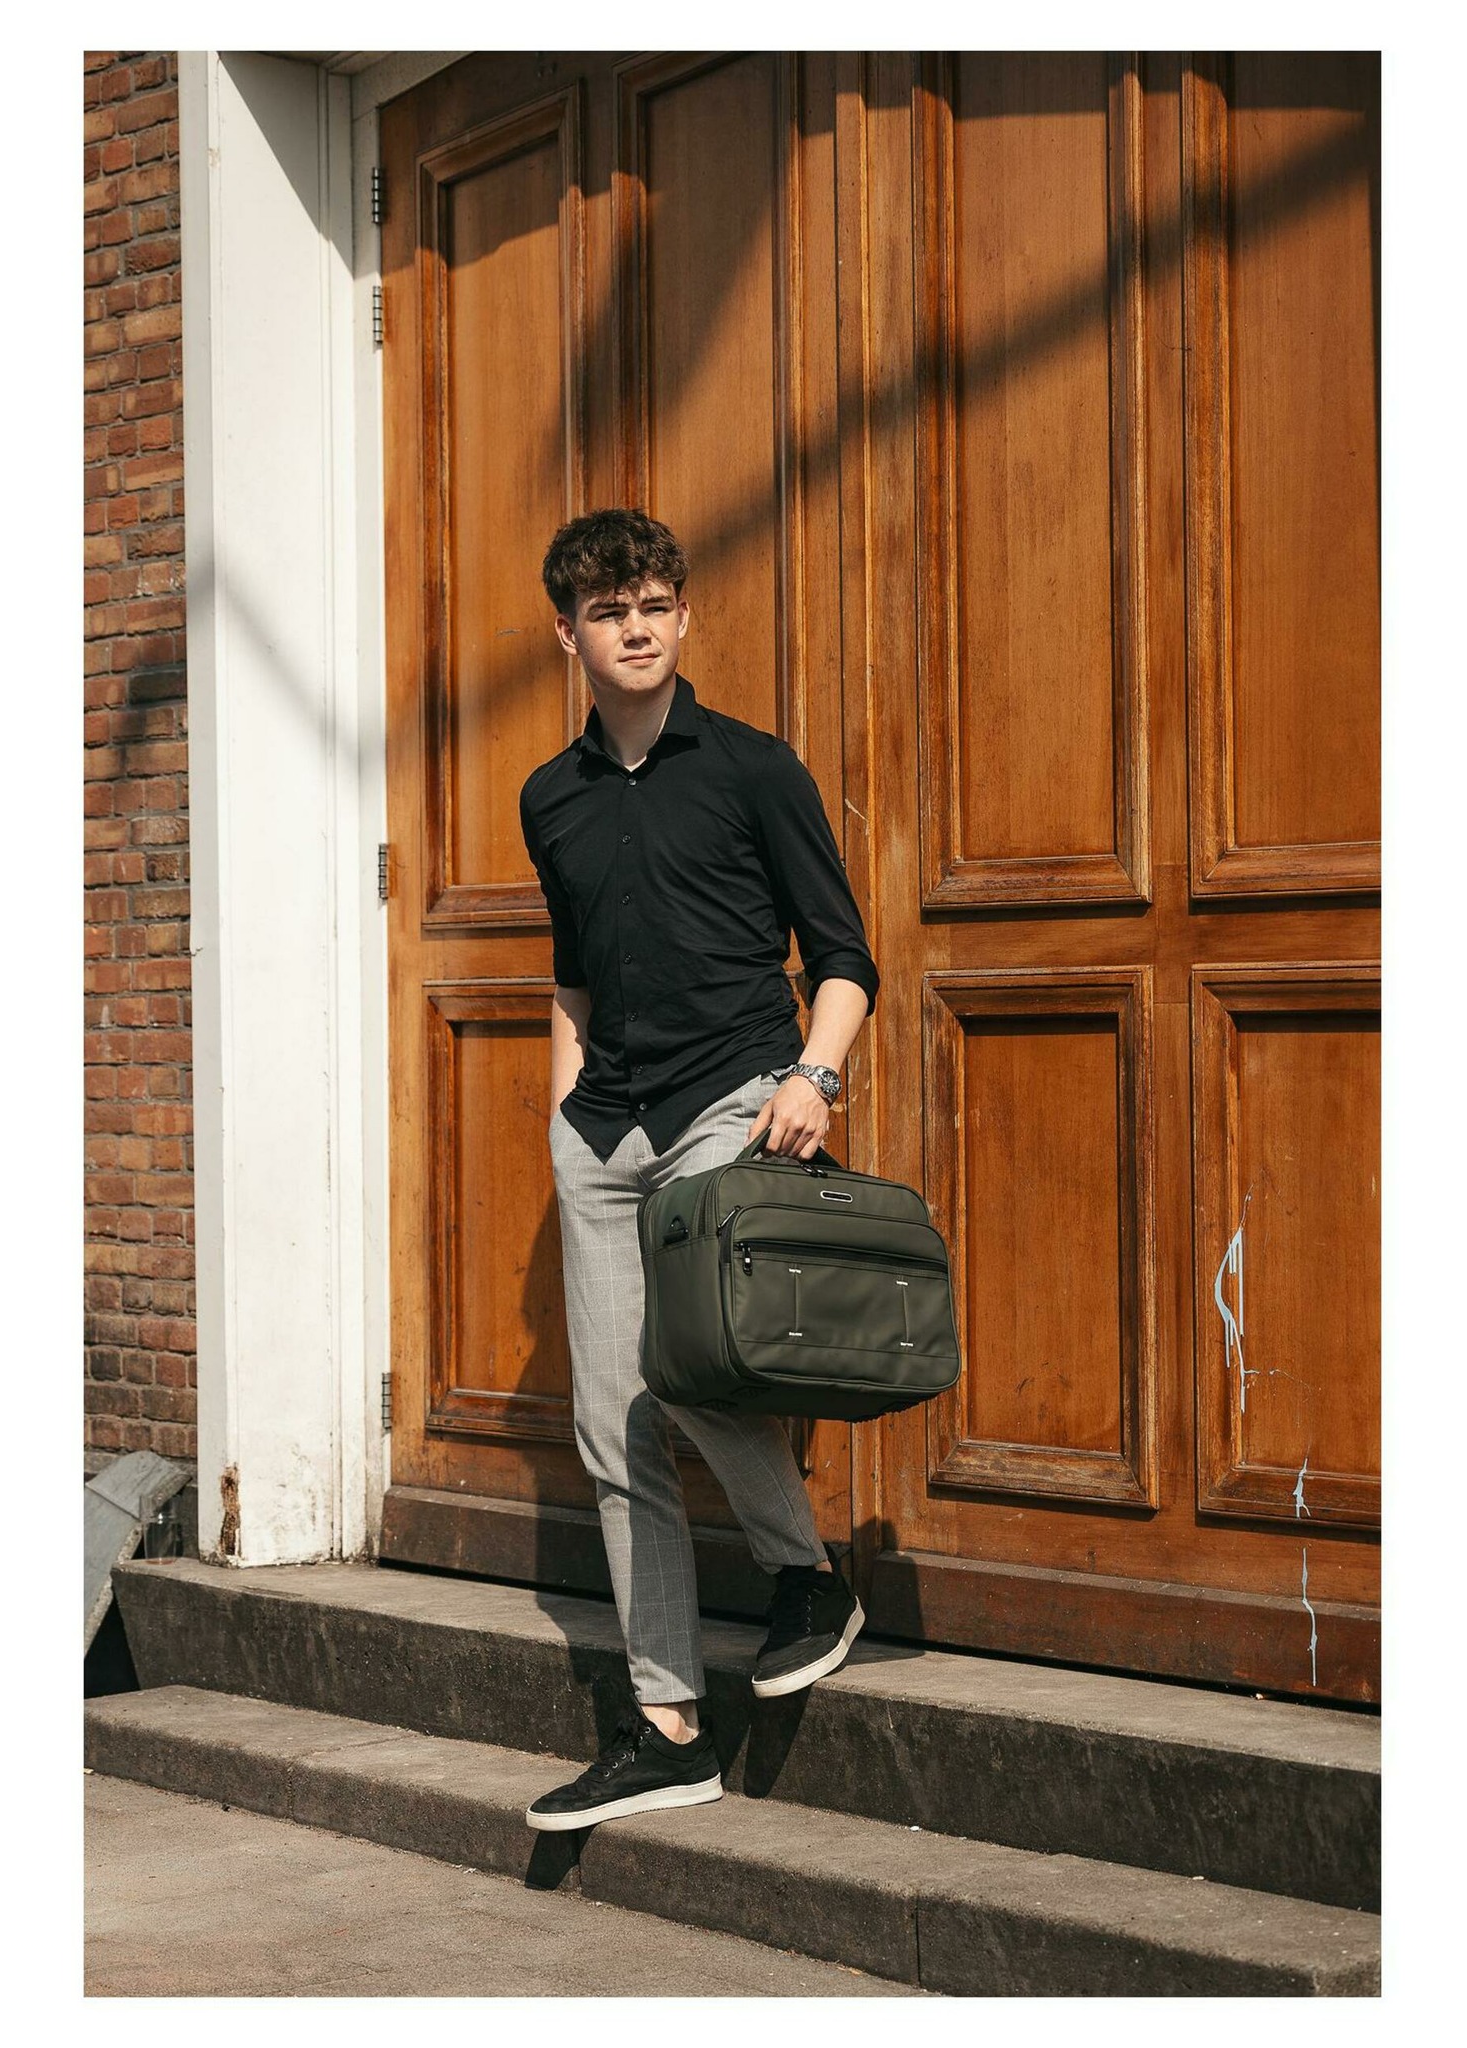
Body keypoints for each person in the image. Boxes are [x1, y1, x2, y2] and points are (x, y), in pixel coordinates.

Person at [517, 508, 879, 1832]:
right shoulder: (548, 797)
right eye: (610, 611)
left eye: (656, 605)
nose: (637, 628)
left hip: (733, 1097)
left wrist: (813, 1077)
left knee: (697, 1362)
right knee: (612, 1421)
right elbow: (573, 971)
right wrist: (565, 1114)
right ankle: (667, 1724)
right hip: (602, 1129)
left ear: (685, 616)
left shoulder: (752, 768)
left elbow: (844, 954)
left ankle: (808, 1575)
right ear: (569, 634)